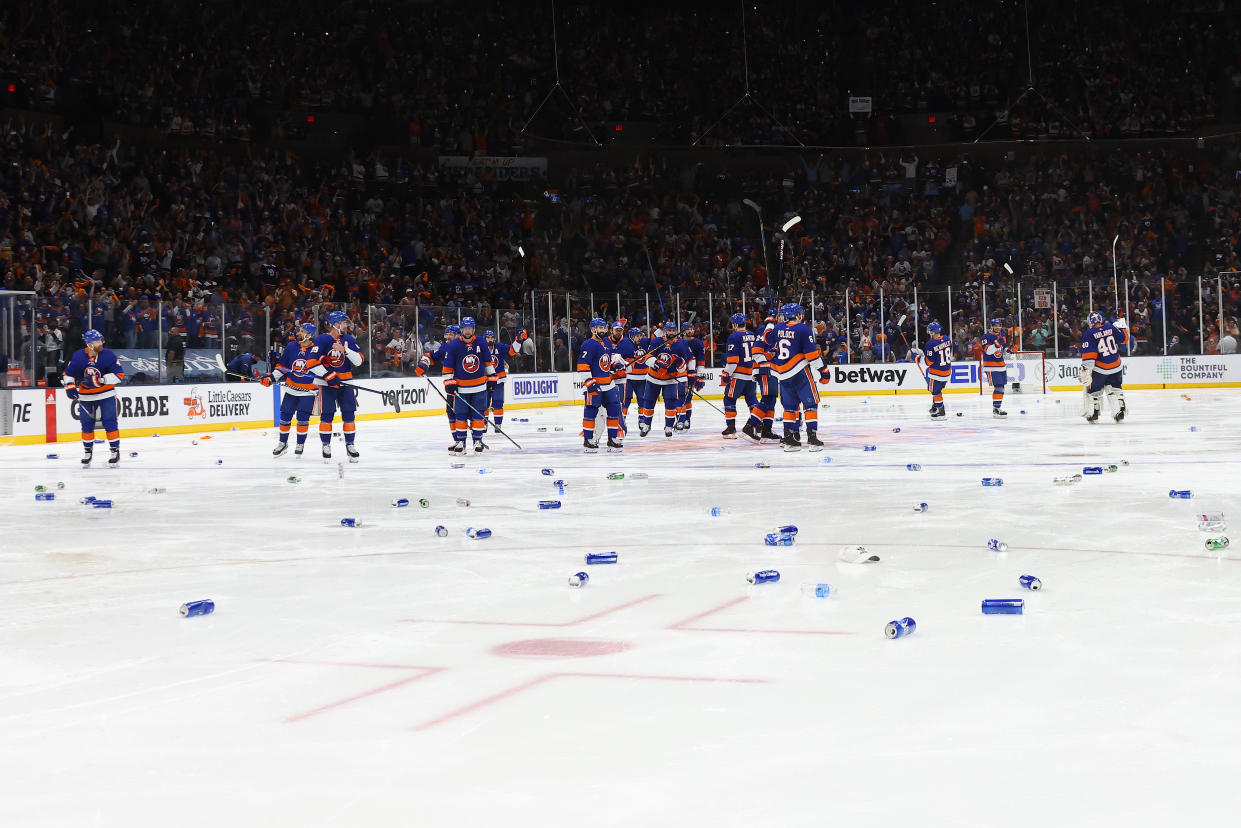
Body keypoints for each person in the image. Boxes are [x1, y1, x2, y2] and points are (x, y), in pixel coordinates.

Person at [62, 328, 125, 466]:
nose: (101, 343)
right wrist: (70, 387)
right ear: (89, 344)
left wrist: (101, 380)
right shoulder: (78, 356)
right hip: (85, 397)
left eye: (100, 340)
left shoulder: (108, 355)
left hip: (106, 394)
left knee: (110, 422)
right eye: (97, 341)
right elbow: (68, 374)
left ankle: (115, 450)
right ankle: (87, 451)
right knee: (86, 425)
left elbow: (120, 376)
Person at [770, 304, 827, 451]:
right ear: (798, 315)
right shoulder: (804, 329)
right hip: (800, 372)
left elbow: (772, 345)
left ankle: (789, 440)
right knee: (811, 405)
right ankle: (812, 439)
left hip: (782, 374)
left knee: (790, 408)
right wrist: (823, 370)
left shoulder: (778, 328)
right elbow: (812, 356)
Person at [310, 310, 365, 461]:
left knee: (349, 414)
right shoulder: (321, 340)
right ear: (335, 324)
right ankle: (326, 445)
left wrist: (345, 350)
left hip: (345, 383)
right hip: (327, 384)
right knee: (327, 415)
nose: (346, 324)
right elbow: (311, 363)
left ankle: (350, 445)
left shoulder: (348, 339)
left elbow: (359, 361)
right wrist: (327, 375)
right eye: (344, 322)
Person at [263, 323, 319, 456]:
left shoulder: (317, 349)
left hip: (308, 392)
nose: (298, 333)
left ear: (309, 335)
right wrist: (271, 378)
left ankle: (300, 444)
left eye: (302, 331)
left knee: (302, 418)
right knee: (285, 416)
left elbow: (322, 369)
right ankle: (283, 443)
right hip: (291, 389)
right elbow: (282, 365)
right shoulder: (292, 346)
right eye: (299, 330)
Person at [441, 316, 494, 454]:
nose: (468, 331)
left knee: (478, 414)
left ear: (474, 329)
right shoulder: (453, 345)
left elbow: (488, 361)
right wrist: (449, 382)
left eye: (470, 328)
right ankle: (461, 442)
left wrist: (492, 378)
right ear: (462, 330)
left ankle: (477, 440)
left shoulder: (481, 342)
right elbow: (447, 367)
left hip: (480, 387)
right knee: (461, 415)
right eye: (465, 328)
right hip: (461, 388)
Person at [576, 317, 623, 452]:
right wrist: (590, 383)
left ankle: (612, 438)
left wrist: (614, 367)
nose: (603, 330)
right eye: (600, 328)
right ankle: (588, 439)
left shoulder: (606, 344)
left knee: (614, 409)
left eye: (604, 328)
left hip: (609, 384)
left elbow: (605, 364)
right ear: (593, 329)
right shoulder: (588, 344)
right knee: (591, 411)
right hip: (596, 385)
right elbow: (582, 366)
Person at [638, 321, 691, 437]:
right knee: (648, 402)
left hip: (670, 380)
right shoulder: (657, 341)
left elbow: (683, 367)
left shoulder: (681, 345)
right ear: (665, 331)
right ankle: (646, 424)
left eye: (673, 330)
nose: (671, 332)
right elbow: (648, 356)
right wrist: (655, 363)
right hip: (653, 378)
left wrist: (678, 363)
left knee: (671, 403)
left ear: (676, 332)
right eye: (669, 330)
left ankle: (669, 426)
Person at [415, 323, 460, 444]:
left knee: (464, 414)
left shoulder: (464, 347)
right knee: (451, 412)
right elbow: (430, 355)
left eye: (451, 334)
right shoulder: (445, 347)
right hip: (451, 388)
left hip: (466, 387)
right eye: (447, 334)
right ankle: (458, 441)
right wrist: (424, 364)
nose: (448, 337)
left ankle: (476, 438)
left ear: (458, 335)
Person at [1081, 311, 1129, 423]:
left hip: (1101, 369)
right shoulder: (1111, 327)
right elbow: (1125, 339)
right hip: (1116, 366)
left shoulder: (1089, 334)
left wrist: (1086, 368)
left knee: (1094, 391)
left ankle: (1094, 413)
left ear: (1089, 322)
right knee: (1116, 388)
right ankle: (1120, 409)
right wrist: (1121, 328)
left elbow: (1090, 355)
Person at [745, 311, 783, 442]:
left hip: (771, 369)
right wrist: (766, 362)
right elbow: (755, 351)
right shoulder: (766, 329)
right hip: (765, 369)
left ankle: (767, 431)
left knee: (771, 399)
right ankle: (749, 426)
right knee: (767, 399)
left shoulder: (775, 329)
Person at [720, 313, 758, 439]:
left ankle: (731, 429)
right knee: (752, 399)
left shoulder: (734, 336)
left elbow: (733, 360)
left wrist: (726, 373)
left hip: (738, 375)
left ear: (735, 324)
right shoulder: (753, 335)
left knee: (729, 399)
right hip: (751, 374)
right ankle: (756, 425)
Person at [484, 327, 528, 431]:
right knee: (483, 404)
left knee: (498, 402)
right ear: (484, 339)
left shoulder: (499, 347)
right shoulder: (480, 348)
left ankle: (498, 425)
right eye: (488, 337)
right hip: (484, 381)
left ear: (494, 339)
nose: (490, 339)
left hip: (498, 380)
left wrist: (518, 340)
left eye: (492, 337)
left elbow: (512, 351)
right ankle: (483, 424)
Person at [911, 321, 952, 419]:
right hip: (947, 372)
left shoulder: (930, 344)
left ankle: (940, 410)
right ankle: (935, 406)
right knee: (938, 389)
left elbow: (929, 362)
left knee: (935, 392)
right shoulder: (947, 339)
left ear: (932, 332)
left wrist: (917, 358)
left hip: (936, 373)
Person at [607, 322, 634, 436]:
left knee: (619, 404)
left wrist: (622, 368)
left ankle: (620, 426)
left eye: (620, 330)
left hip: (621, 380)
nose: (618, 332)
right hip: (606, 380)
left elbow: (631, 368)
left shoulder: (628, 344)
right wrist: (610, 368)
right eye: (616, 330)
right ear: (611, 330)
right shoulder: (604, 342)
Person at [679, 321, 706, 430]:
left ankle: (687, 419)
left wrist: (700, 377)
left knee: (688, 398)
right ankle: (680, 419)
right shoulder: (678, 342)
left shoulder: (698, 343)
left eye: (692, 329)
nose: (690, 331)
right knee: (678, 398)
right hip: (678, 373)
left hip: (691, 373)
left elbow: (701, 361)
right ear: (683, 330)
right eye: (688, 329)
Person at [980, 317, 1009, 418]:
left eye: (999, 325)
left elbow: (1002, 349)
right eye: (995, 326)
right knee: (998, 386)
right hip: (991, 366)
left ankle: (997, 408)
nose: (998, 327)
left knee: (1001, 387)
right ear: (991, 327)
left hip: (1001, 365)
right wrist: (997, 344)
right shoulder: (986, 337)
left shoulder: (1002, 336)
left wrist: (1008, 350)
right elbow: (987, 351)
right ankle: (996, 409)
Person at [623, 327, 648, 424]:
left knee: (642, 399)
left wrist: (661, 327)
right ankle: (623, 418)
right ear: (631, 337)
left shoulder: (645, 343)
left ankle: (642, 418)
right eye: (637, 336)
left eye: (640, 335)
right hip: (629, 378)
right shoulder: (626, 344)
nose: (640, 338)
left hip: (642, 378)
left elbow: (656, 339)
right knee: (626, 399)